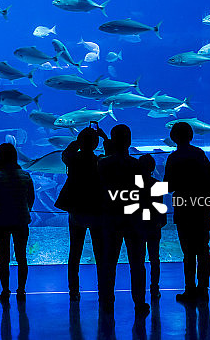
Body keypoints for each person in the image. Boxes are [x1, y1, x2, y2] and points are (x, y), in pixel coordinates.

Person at [97, 124, 149, 317]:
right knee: (137, 262)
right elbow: (144, 192)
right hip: (133, 218)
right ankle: (139, 301)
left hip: (111, 217)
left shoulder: (103, 163)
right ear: (129, 141)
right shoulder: (137, 165)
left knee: (108, 261)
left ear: (112, 141)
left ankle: (107, 299)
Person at [164, 121, 210, 303]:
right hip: (201, 207)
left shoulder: (173, 158)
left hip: (183, 207)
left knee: (188, 252)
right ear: (191, 136)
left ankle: (189, 289)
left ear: (174, 138)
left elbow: (169, 185)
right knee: (203, 249)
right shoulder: (199, 154)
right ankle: (203, 288)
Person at [56, 126, 107, 302]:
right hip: (96, 210)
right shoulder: (100, 162)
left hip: (76, 210)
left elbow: (66, 153)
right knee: (100, 252)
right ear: (96, 143)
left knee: (75, 251)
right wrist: (104, 138)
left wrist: (78, 141)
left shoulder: (73, 160)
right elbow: (111, 154)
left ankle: (74, 290)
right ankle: (103, 289)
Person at [0, 143, 34, 302]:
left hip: (1, 220)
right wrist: (24, 209)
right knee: (21, 256)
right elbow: (31, 199)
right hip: (21, 220)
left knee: (4, 257)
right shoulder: (26, 176)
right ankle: (21, 290)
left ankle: (5, 290)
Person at [137, 154, 166, 302]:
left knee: (138, 260)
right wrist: (161, 222)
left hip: (138, 226)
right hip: (154, 226)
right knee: (155, 258)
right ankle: (155, 288)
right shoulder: (157, 184)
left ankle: (139, 290)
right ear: (153, 167)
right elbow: (160, 207)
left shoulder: (133, 185)